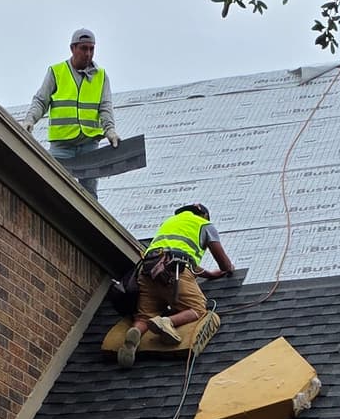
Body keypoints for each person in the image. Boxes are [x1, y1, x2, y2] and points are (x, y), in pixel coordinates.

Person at [117, 202, 237, 365]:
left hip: (148, 272)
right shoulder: (204, 224)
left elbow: (176, 253)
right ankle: (166, 322)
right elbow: (223, 263)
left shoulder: (169, 223)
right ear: (204, 215)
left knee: (145, 316)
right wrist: (228, 268)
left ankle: (135, 333)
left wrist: (208, 274)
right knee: (198, 308)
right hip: (175, 272)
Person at [26, 28, 118, 175]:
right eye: (83, 48)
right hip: (62, 146)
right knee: (55, 182)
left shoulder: (101, 76)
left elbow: (105, 107)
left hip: (89, 143)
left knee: (89, 187)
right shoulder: (57, 72)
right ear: (72, 48)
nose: (88, 54)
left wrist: (110, 130)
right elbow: (41, 100)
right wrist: (30, 120)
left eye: (91, 49)